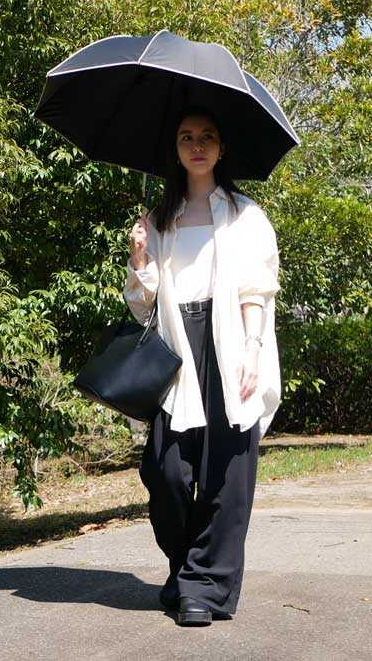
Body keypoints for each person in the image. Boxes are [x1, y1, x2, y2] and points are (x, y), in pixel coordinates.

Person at [123, 104, 282, 627]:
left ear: (222, 147)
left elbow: (256, 290)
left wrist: (255, 349)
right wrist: (141, 259)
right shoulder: (159, 221)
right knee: (165, 471)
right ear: (174, 147)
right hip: (177, 348)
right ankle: (184, 568)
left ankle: (204, 587)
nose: (197, 146)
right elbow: (143, 307)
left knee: (227, 473)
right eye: (187, 136)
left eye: (207, 137)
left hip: (230, 343)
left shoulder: (245, 214)